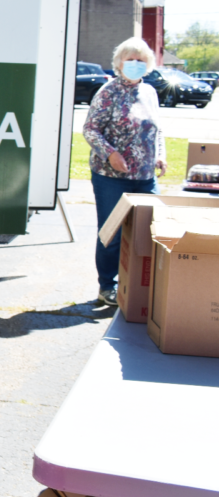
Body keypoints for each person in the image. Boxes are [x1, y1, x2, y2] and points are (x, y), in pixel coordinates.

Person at [83, 36, 166, 306]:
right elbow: (90, 129)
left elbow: (157, 130)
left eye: (140, 60)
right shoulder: (108, 91)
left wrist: (161, 156)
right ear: (119, 63)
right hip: (111, 177)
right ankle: (108, 285)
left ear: (148, 64)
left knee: (150, 230)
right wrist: (111, 154)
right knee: (112, 231)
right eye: (129, 59)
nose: (134, 64)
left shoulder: (150, 92)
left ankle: (141, 285)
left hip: (145, 177)